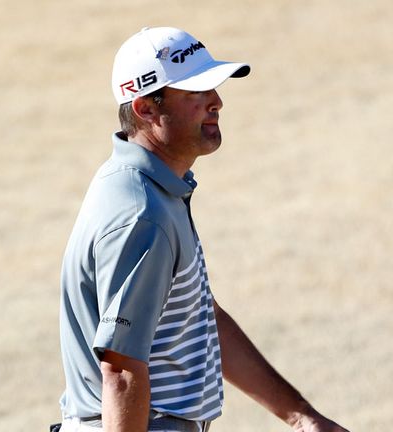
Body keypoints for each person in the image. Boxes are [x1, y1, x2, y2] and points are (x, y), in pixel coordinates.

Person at [57, 27, 349, 432]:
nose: (217, 102)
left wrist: (301, 416)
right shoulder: (142, 216)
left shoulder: (154, 189)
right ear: (145, 108)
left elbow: (199, 317)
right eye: (196, 92)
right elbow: (121, 371)